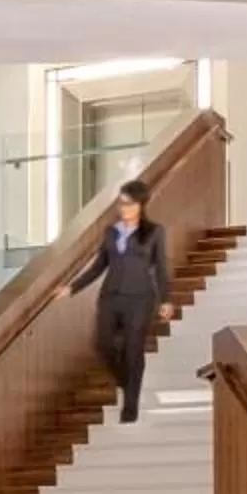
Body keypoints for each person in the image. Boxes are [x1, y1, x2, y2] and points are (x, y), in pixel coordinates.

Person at [54, 177, 175, 424]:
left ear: (141, 205)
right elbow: (99, 266)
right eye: (121, 203)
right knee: (103, 345)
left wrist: (166, 299)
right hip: (110, 297)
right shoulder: (111, 231)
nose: (124, 208)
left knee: (133, 351)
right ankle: (126, 382)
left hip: (140, 299)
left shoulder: (154, 232)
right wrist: (72, 288)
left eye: (129, 204)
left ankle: (130, 407)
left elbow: (161, 268)